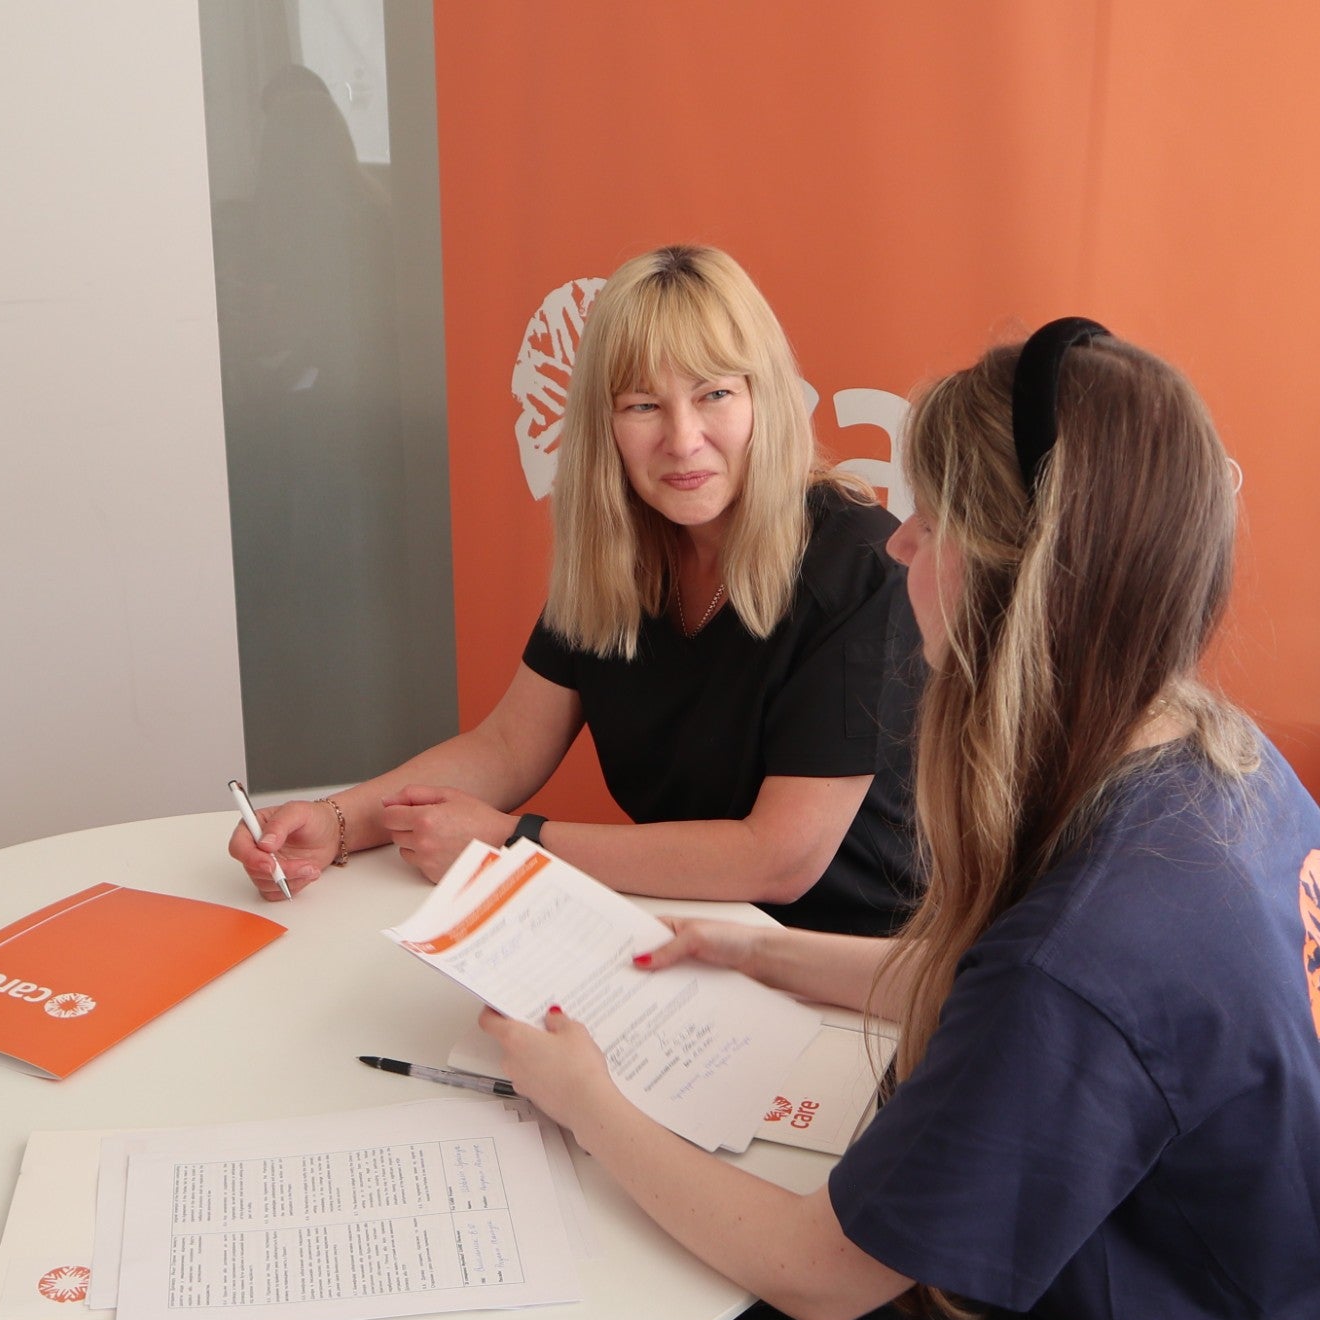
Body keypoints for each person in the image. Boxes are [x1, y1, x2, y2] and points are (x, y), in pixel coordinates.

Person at [481, 320, 1320, 1320]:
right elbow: (1075, 1028)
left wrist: (583, 1097)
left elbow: (825, 1271)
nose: (901, 542)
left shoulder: (1093, 948)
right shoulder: (1210, 759)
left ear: (1001, 573)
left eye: (926, 519)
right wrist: (766, 954)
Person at [229, 244, 921, 936]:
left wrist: (510, 845)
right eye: (644, 405)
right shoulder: (615, 554)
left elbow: (779, 858)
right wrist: (336, 822)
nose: (683, 440)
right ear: (606, 425)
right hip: (686, 933)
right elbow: (506, 748)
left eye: (715, 394)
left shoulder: (860, 566)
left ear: (763, 397)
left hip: (854, 969)